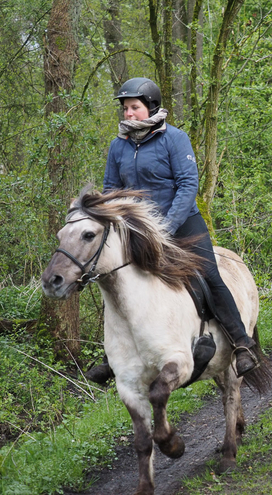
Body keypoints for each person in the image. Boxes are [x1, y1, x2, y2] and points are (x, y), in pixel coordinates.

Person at [84, 77, 261, 384]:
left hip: (180, 223)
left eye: (134, 108)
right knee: (117, 281)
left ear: (150, 106)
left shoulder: (174, 139)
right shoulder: (118, 145)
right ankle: (112, 357)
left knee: (209, 274)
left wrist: (165, 227)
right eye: (125, 108)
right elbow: (112, 190)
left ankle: (242, 344)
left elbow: (188, 185)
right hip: (136, 232)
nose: (128, 114)